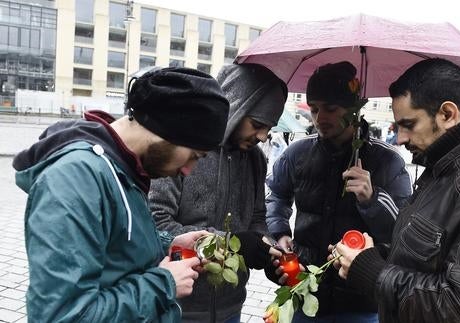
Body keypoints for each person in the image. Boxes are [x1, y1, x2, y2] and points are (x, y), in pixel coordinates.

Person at [12, 67, 231, 322]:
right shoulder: (75, 179)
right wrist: (164, 285)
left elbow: (114, 250)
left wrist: (169, 244)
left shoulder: (124, 168)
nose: (187, 170)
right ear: (164, 129)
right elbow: (62, 316)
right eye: (193, 156)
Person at [333, 58, 460, 322]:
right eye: (397, 127)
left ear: (447, 115)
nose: (400, 139)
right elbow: (430, 258)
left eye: (408, 125)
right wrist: (374, 253)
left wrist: (371, 271)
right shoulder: (442, 166)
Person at [265, 61, 412, 322]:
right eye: (314, 109)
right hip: (304, 290)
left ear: (354, 110)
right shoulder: (298, 153)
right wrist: (280, 232)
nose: (320, 117)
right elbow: (276, 195)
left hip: (360, 301)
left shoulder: (387, 161)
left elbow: (404, 230)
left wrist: (372, 199)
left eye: (331, 109)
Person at [149, 63, 288, 323]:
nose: (263, 135)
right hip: (179, 308)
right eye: (257, 123)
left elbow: (257, 218)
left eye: (269, 126)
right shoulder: (183, 149)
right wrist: (232, 242)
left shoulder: (256, 159)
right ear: (235, 107)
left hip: (231, 307)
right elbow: (157, 223)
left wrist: (268, 251)